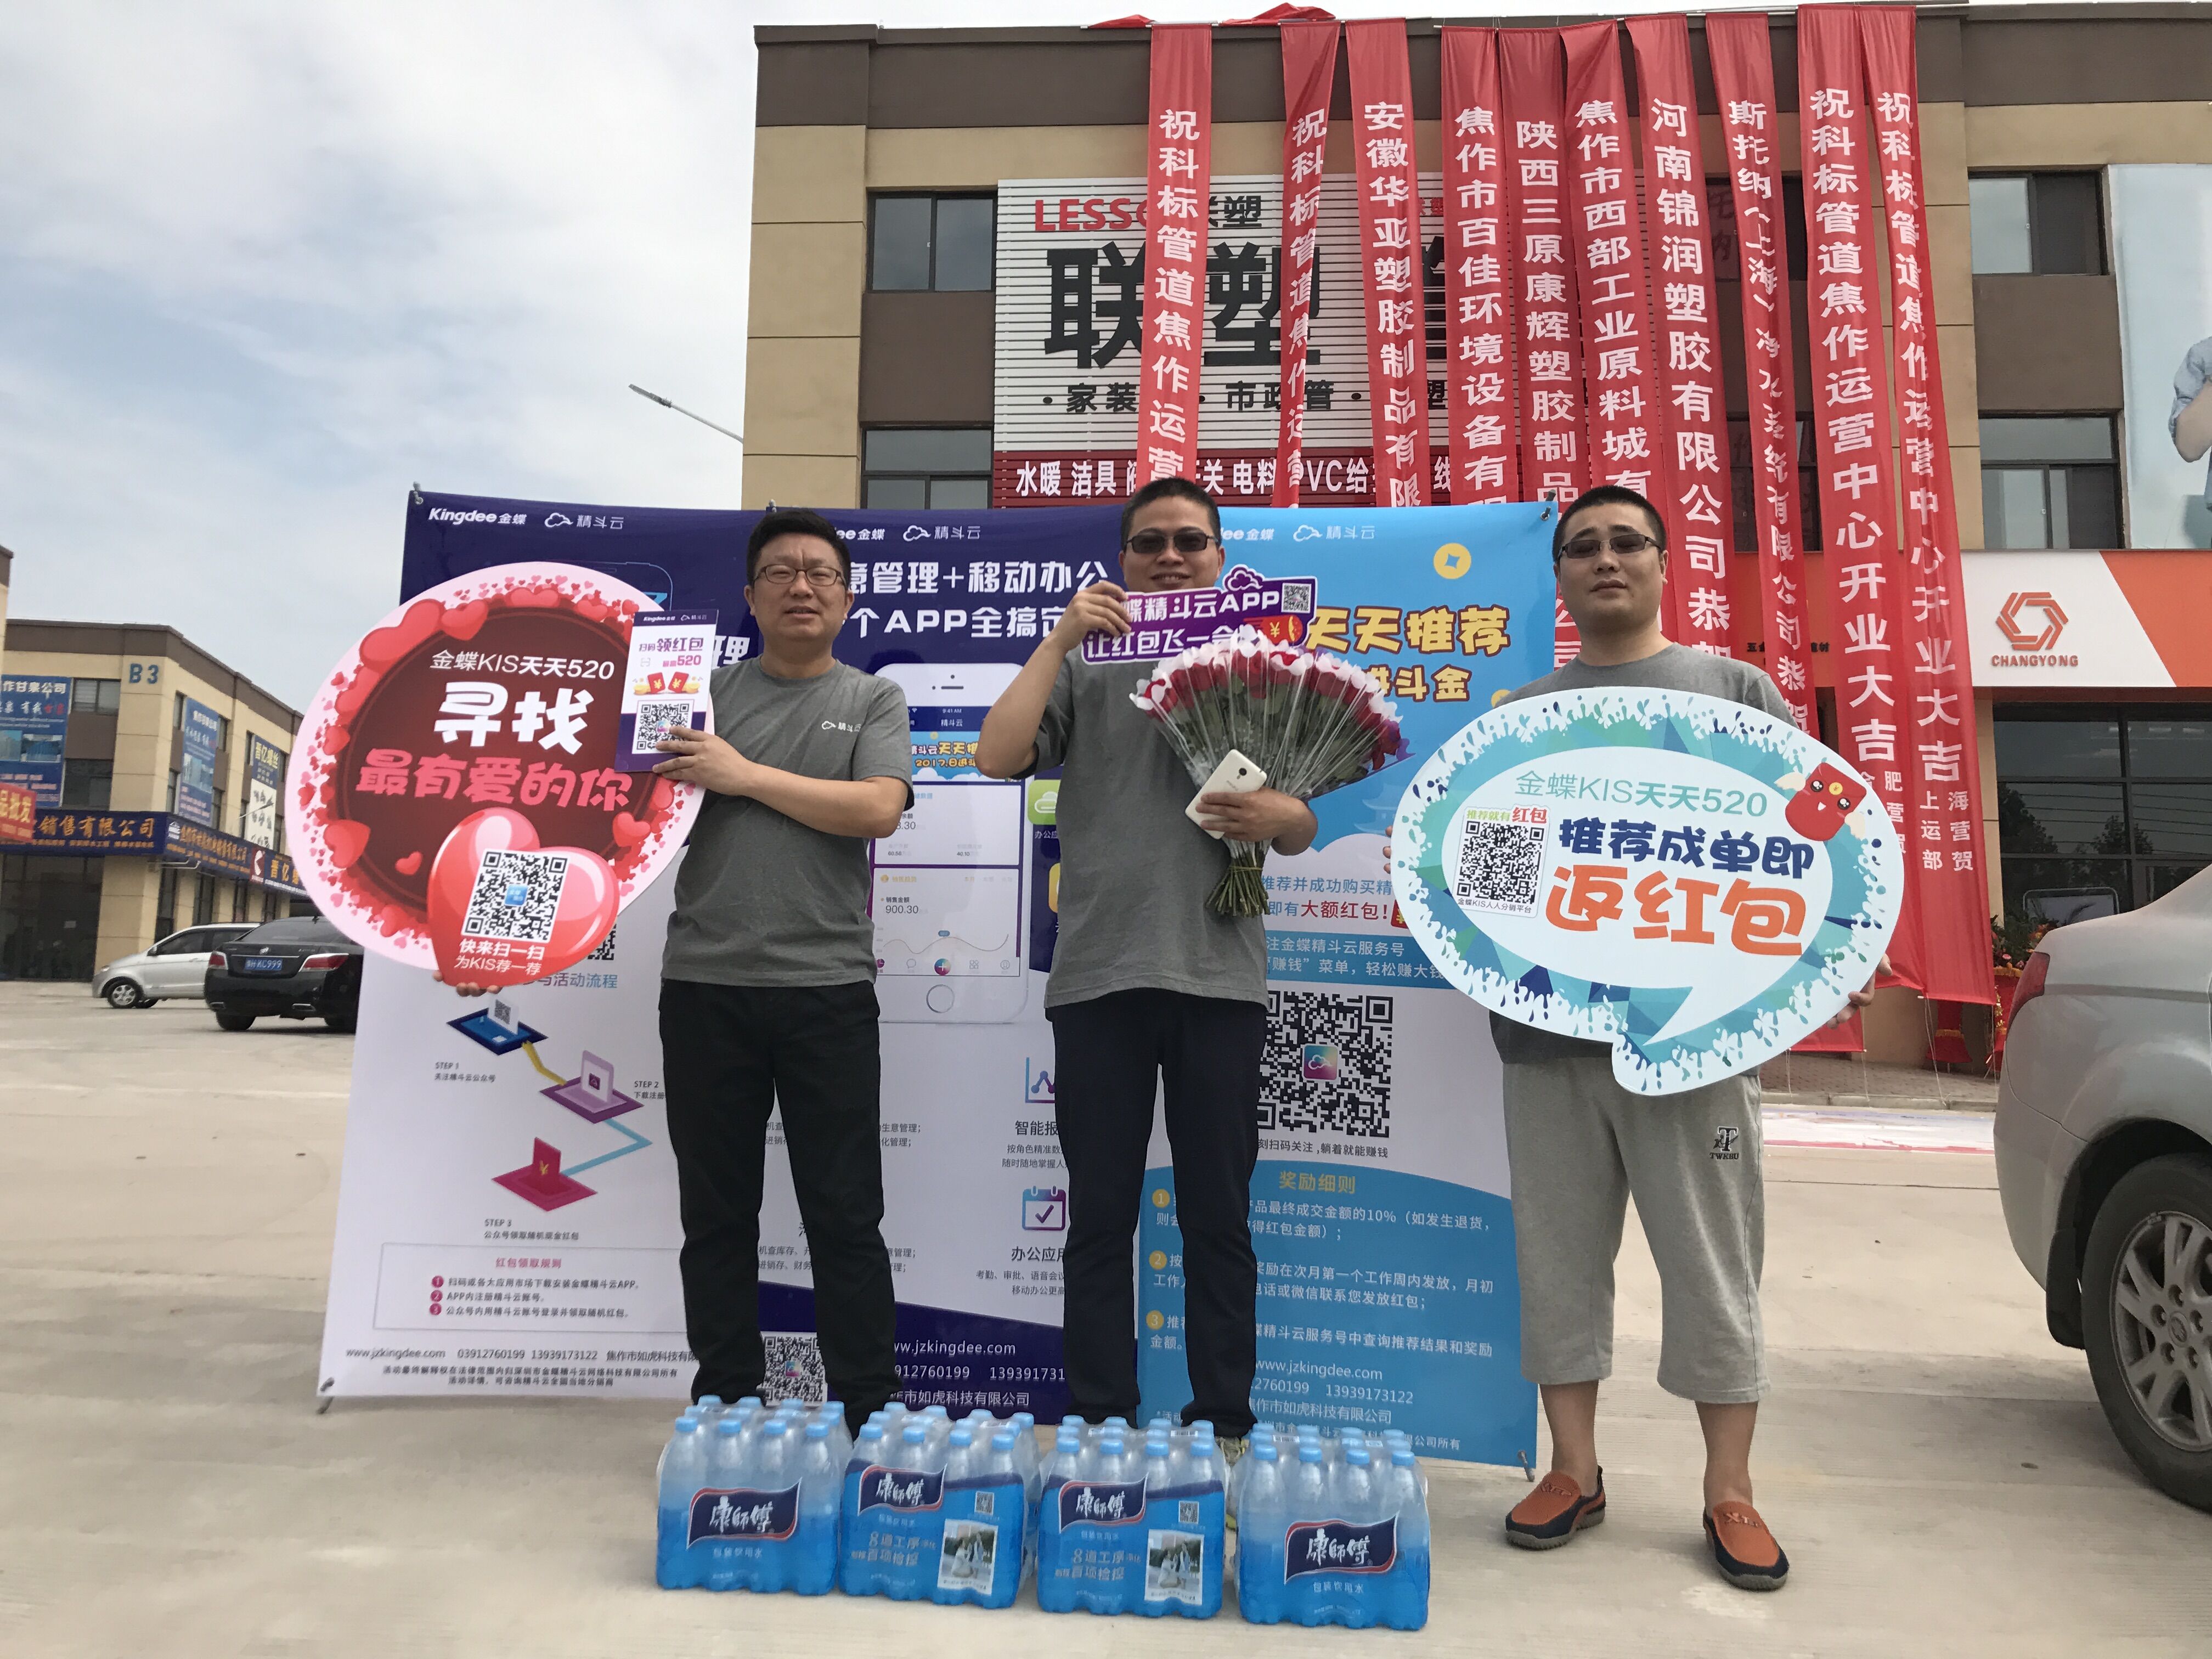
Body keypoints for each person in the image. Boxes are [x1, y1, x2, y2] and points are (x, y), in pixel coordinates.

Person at [1491, 485, 1877, 1592]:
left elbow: (1816, 839)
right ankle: (1574, 1470)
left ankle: (1730, 1491)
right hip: (1547, 1039)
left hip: (1697, 1043)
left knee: (1714, 1266)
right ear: (1560, 578)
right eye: (1583, 548)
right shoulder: (1522, 718)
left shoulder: (1735, 694)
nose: (1605, 560)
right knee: (1557, 1262)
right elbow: (1490, 873)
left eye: (1627, 542)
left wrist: (1835, 952)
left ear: (1665, 563)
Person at [975, 476, 1315, 1449]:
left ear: (1220, 558)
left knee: (1219, 1220)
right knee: (1098, 1221)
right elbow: (998, 756)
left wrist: (1282, 813)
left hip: (1220, 978)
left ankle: (1224, 1426)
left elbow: (1301, 825)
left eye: (1190, 542)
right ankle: (1099, 1425)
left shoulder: (1263, 661)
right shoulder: (1087, 663)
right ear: (1121, 559)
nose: (1170, 557)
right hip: (1099, 976)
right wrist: (1058, 640)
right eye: (1150, 543)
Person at [650, 507, 913, 1434]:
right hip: (705, 985)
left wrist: (744, 775)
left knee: (844, 1215)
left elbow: (878, 810)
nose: (801, 586)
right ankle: (725, 1408)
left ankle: (868, 1414)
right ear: (751, 596)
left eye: (820, 573)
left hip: (826, 989)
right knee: (716, 1215)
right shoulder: (694, 696)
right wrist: (504, 943)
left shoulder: (874, 700)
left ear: (846, 598)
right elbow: (614, 816)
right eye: (780, 572)